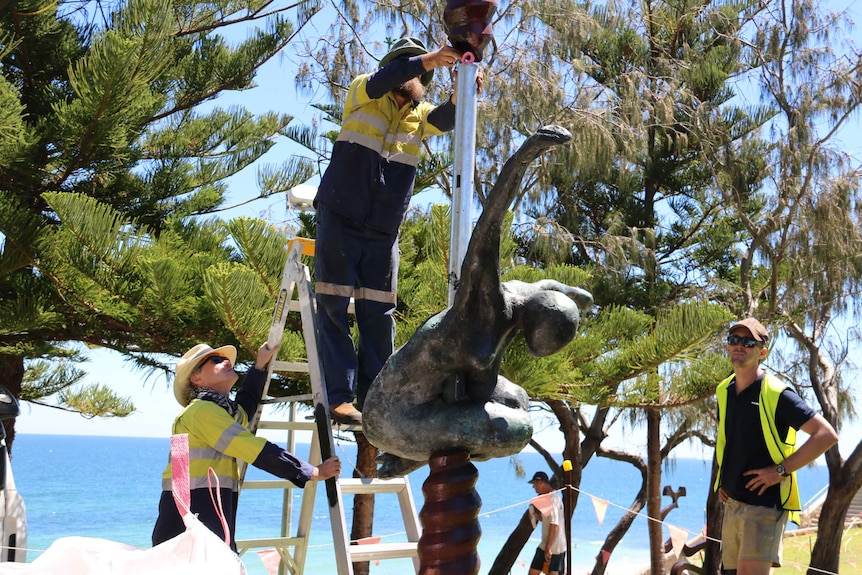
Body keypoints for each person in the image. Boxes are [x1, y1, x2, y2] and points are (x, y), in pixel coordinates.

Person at [313, 36, 481, 425]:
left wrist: (462, 92)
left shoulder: (420, 116)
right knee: (333, 306)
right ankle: (340, 396)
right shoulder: (362, 92)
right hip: (340, 214)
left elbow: (446, 118)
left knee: (378, 312)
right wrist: (428, 58)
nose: (412, 70)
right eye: (405, 63)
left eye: (416, 66)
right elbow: (382, 80)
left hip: (382, 229)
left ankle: (373, 400)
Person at [152, 342, 341, 550]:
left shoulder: (216, 412)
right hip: (191, 515)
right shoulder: (201, 412)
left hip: (192, 513)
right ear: (197, 379)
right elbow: (251, 447)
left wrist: (259, 367)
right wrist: (311, 471)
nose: (225, 361)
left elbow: (245, 409)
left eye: (225, 359)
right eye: (215, 360)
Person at [714, 317, 838, 574]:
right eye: (734, 340)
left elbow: (826, 435)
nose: (739, 345)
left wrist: (779, 471)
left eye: (747, 342)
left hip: (764, 504)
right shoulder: (724, 390)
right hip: (733, 502)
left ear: (762, 352)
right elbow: (729, 441)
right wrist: (721, 482)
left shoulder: (777, 393)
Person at [526, 471, 566, 575]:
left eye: (534, 484)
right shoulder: (553, 498)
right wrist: (535, 516)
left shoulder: (553, 500)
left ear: (540, 483)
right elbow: (548, 520)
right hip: (555, 545)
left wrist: (548, 549)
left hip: (552, 546)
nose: (533, 487)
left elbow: (554, 525)